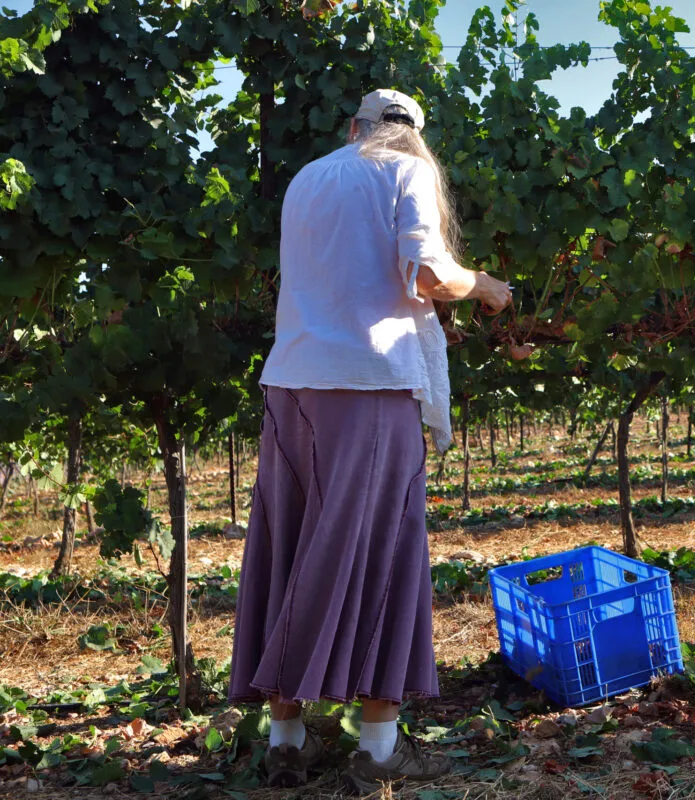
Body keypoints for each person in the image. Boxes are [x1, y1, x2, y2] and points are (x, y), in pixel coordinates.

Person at [227, 88, 512, 790]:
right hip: (368, 386)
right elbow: (425, 272)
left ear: (351, 126)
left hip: (291, 387)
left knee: (291, 548)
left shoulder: (308, 178)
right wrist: (484, 287)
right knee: (385, 553)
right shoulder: (405, 172)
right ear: (413, 138)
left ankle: (286, 743)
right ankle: (379, 752)